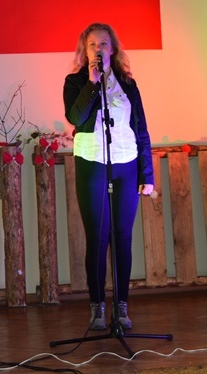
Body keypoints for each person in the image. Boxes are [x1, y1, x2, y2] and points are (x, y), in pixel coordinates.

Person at [62, 22, 154, 331]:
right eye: (92, 45)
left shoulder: (128, 84)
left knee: (123, 237)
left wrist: (147, 173)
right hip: (92, 162)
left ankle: (122, 306)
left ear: (112, 48)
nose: (98, 49)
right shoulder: (75, 81)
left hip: (126, 162)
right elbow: (76, 117)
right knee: (98, 237)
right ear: (84, 50)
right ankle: (98, 306)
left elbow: (141, 129)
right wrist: (92, 83)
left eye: (103, 44)